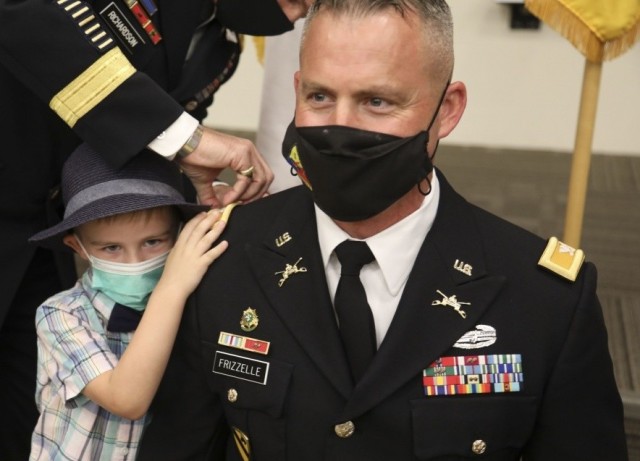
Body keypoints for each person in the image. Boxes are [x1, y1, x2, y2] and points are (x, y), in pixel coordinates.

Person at [138, 0, 628, 459]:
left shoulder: (545, 299)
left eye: (377, 101)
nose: (340, 127)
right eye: (320, 96)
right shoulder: (220, 258)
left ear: (448, 110)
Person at [0, 0, 313, 457]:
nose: (303, 10)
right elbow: (26, 21)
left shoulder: (219, 45)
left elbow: (142, 137)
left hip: (53, 238)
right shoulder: (65, 318)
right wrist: (185, 138)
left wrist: (191, 186)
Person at [27, 143, 230, 460]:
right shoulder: (61, 315)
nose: (135, 261)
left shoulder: (198, 306)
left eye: (153, 242)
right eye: (111, 248)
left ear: (179, 235)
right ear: (78, 247)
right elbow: (126, 400)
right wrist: (171, 289)